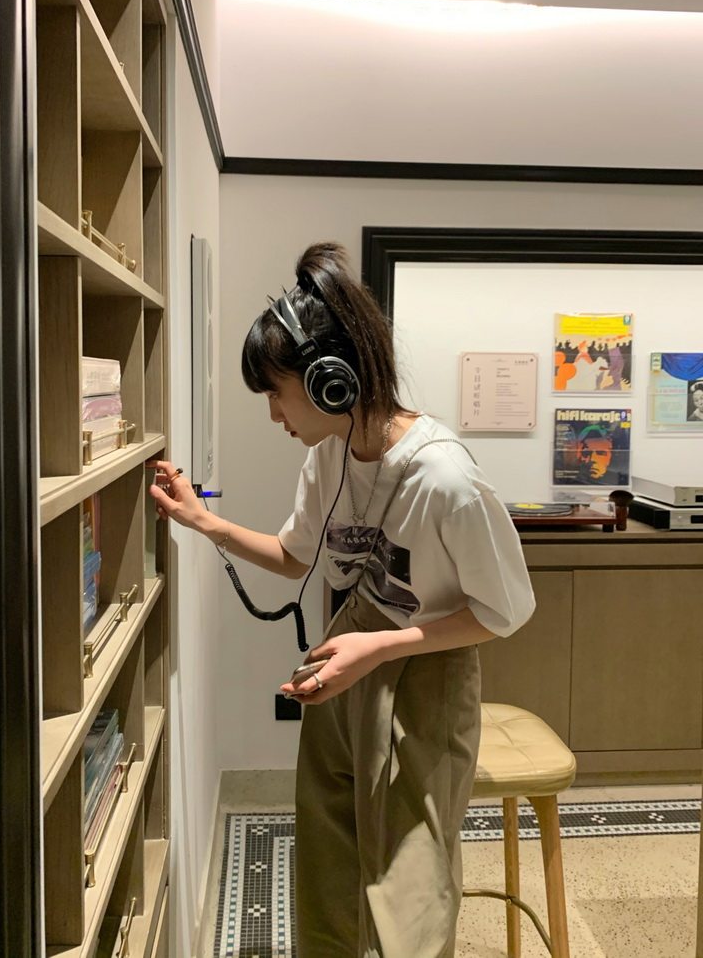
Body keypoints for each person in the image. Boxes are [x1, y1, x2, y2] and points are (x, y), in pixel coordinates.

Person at [150, 242, 535, 958]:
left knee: (408, 890)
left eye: (276, 393)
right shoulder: (327, 455)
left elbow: (503, 611)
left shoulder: (446, 479)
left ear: (331, 380)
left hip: (424, 666)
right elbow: (296, 555)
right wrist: (204, 522)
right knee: (328, 864)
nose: (274, 414)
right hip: (349, 646)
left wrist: (380, 647)